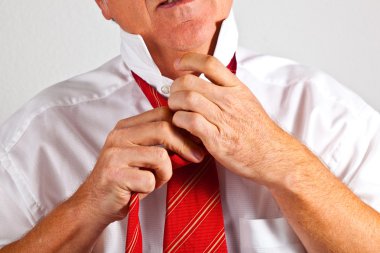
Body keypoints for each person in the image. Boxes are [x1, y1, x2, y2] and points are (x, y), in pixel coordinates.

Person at [0, 0, 379, 252]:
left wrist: (286, 166)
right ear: (104, 3)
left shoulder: (331, 115)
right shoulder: (36, 140)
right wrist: (85, 209)